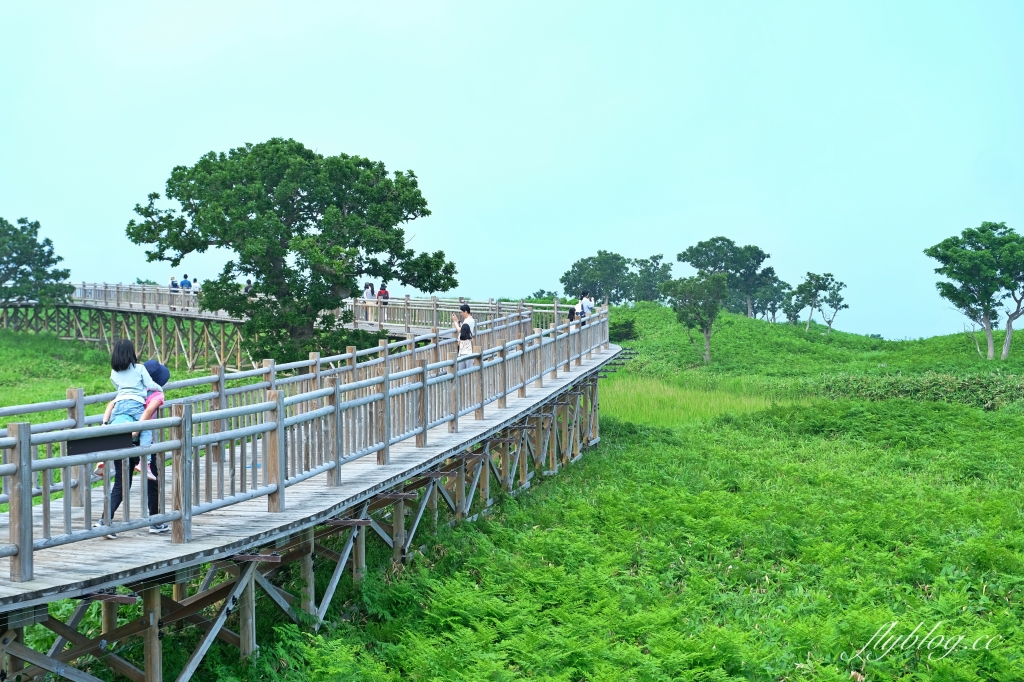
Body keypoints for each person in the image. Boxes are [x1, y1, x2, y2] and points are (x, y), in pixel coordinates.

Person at [97, 341, 167, 537]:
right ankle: (155, 521)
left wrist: (105, 423)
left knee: (121, 483)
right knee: (152, 480)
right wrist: (136, 430)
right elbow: (147, 413)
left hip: (121, 431)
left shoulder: (118, 380)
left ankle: (105, 521)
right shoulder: (153, 395)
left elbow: (114, 399)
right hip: (139, 438)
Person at [451, 304, 476, 370]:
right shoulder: (471, 320)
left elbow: (460, 330)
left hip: (463, 350)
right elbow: (464, 327)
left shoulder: (467, 321)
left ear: (465, 311)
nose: (461, 313)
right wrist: (458, 321)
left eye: (462, 312)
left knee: (462, 370)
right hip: (468, 351)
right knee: (468, 369)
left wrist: (455, 322)